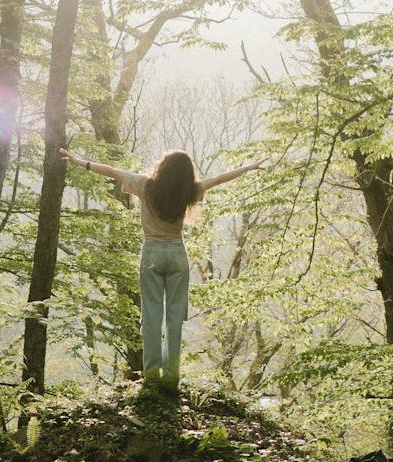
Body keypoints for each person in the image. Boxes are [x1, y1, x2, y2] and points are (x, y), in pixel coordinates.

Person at [60, 147, 265, 389]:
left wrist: (79, 162)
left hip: (152, 254)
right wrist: (248, 167)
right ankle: (171, 377)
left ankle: (151, 375)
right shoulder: (190, 189)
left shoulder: (145, 185)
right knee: (175, 318)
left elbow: (112, 172)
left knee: (152, 316)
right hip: (178, 255)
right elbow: (219, 179)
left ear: (163, 167)